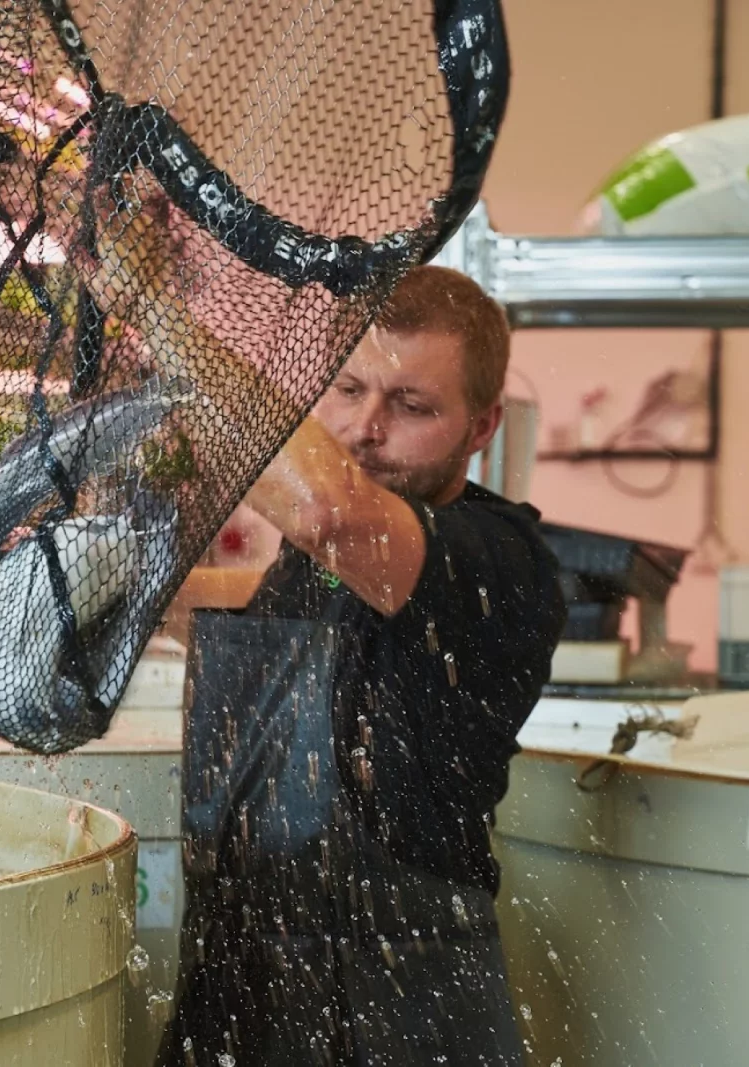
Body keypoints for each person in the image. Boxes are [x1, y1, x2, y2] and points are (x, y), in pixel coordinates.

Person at [84, 214, 565, 1065]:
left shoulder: (496, 560)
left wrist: (158, 313)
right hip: (244, 982)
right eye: (347, 390)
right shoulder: (334, 558)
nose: (365, 426)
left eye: (411, 404)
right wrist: (118, 589)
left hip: (400, 1007)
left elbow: (330, 510)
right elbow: (294, 616)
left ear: (482, 428)